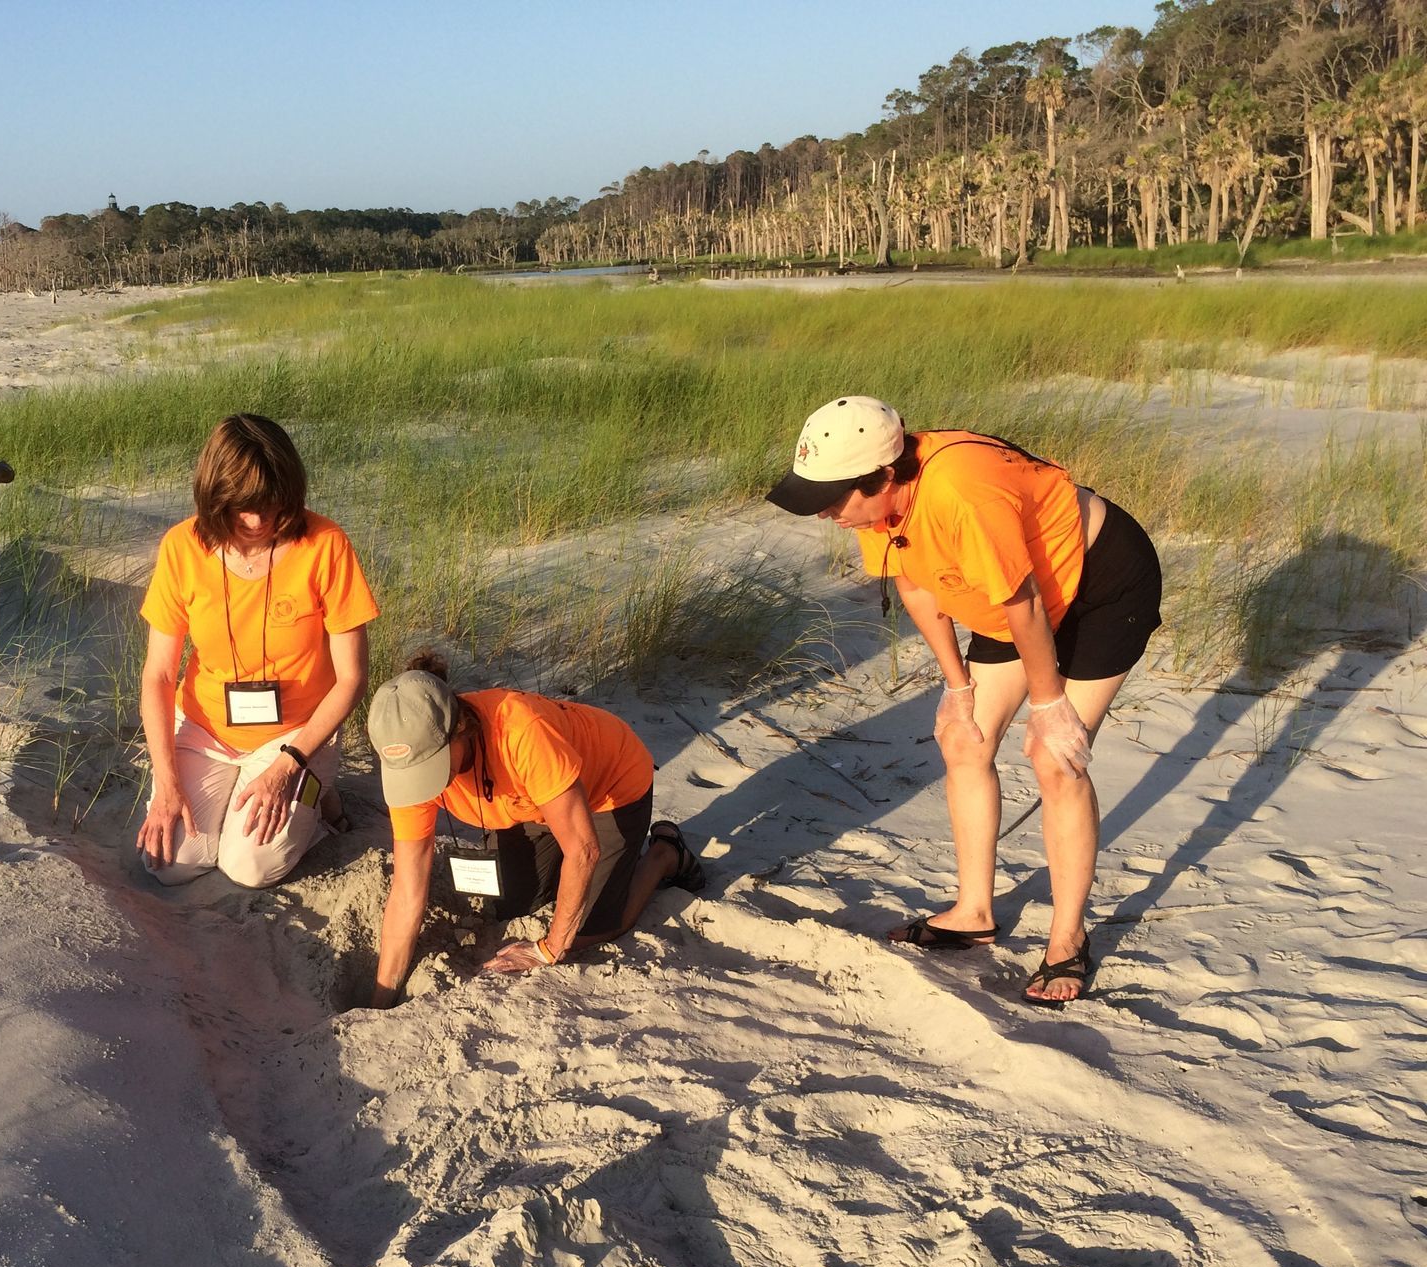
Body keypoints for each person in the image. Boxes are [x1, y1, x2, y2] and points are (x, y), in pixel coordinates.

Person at [767, 396, 1162, 1006]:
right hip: (1018, 591)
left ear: (883, 476)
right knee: (962, 734)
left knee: (1053, 755)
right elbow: (916, 581)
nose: (822, 512)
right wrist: (956, 686)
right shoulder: (877, 508)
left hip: (1100, 580)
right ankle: (974, 910)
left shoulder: (960, 492)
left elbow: (1022, 601)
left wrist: (1050, 702)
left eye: (832, 497)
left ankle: (1066, 938)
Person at [364, 653, 705, 1008]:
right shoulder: (408, 773)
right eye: (412, 774)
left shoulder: (521, 731)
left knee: (590, 928)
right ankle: (573, 856)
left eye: (430, 768)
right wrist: (381, 997)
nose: (425, 786)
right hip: (532, 806)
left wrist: (549, 950)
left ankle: (665, 854)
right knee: (510, 902)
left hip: (609, 787)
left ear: (460, 727)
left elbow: (583, 849)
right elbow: (406, 889)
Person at [136, 414, 377, 887]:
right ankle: (250, 798)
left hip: (295, 737)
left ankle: (319, 797)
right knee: (168, 863)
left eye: (270, 505)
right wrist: (166, 785)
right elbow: (159, 677)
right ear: (214, 498)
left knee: (250, 867)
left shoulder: (326, 545)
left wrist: (288, 765)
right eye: (241, 507)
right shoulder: (182, 548)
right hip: (205, 730)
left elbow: (352, 678)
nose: (256, 521)